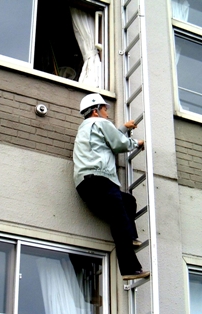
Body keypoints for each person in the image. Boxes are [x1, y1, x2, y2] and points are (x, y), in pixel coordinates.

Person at [73, 93, 150, 280]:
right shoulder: (100, 123)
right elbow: (118, 144)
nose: (107, 112)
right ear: (95, 111)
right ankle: (130, 269)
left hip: (87, 184)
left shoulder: (86, 128)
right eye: (105, 109)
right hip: (101, 180)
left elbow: (107, 141)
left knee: (128, 201)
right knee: (120, 222)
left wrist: (123, 128)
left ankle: (130, 236)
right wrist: (137, 143)